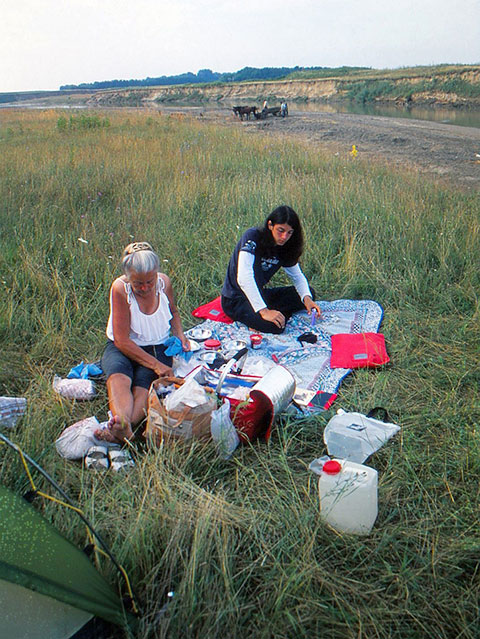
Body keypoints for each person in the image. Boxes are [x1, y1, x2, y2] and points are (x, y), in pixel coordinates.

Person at [96, 242, 190, 443]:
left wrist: (180, 334)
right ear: (127, 277)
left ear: (157, 273)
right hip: (122, 347)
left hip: (157, 346)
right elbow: (121, 340)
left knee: (144, 387)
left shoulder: (164, 283)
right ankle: (122, 425)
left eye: (150, 281)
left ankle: (123, 426)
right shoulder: (120, 289)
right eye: (138, 283)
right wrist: (157, 365)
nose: (145, 288)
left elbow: (173, 311)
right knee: (119, 377)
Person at [221, 206, 321, 334]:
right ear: (270, 225)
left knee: (308, 294)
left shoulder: (285, 246)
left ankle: (270, 316)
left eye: (289, 233)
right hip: (235, 299)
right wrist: (264, 311)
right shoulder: (253, 237)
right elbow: (244, 278)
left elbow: (297, 276)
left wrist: (307, 299)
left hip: (259, 293)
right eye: (280, 230)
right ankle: (268, 317)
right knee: (276, 326)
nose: (284, 237)